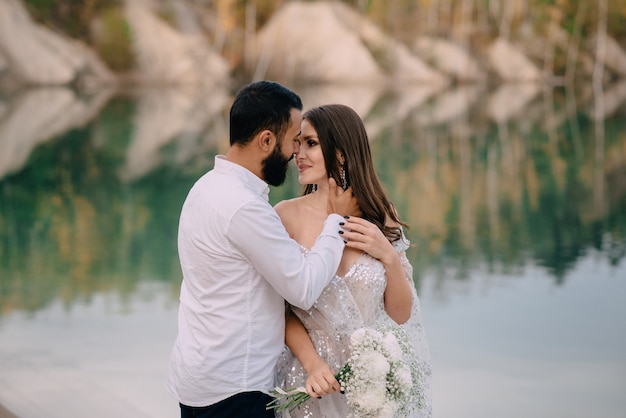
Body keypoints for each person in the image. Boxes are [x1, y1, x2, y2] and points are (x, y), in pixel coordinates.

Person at [164, 81, 361, 418]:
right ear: (266, 141)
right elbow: (303, 289)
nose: (295, 153)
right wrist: (336, 221)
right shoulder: (243, 208)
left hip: (199, 379)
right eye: (292, 141)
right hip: (234, 391)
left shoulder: (205, 187)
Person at [273, 104, 433, 417]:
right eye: (298, 143)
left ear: (342, 153)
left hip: (370, 386)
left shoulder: (380, 212)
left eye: (311, 143)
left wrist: (388, 256)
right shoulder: (285, 216)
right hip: (310, 382)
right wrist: (313, 365)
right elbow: (278, 310)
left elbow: (400, 314)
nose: (298, 154)